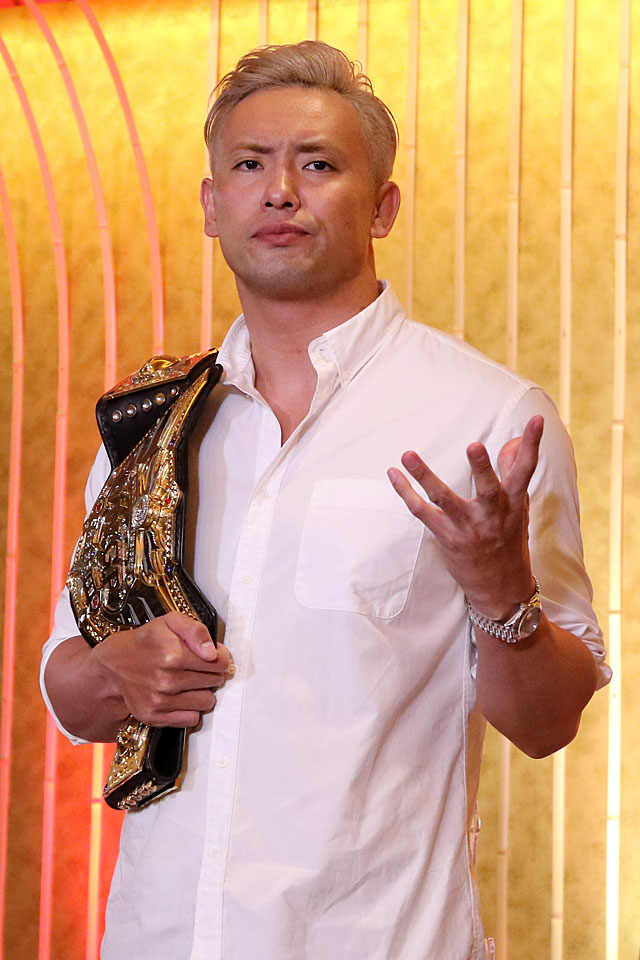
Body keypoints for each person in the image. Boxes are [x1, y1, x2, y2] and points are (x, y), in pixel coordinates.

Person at [41, 40, 610, 960]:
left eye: (317, 165)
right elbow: (69, 691)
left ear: (382, 207)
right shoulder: (149, 427)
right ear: (211, 206)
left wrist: (502, 592)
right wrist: (119, 672)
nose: (279, 192)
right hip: (159, 936)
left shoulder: (489, 417)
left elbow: (547, 725)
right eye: (249, 165)